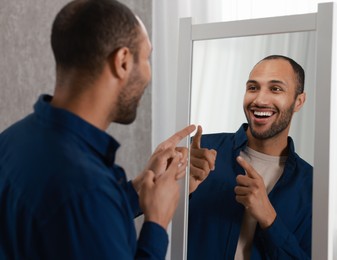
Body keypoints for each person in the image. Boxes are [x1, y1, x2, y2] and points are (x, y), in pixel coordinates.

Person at [0, 0, 195, 259]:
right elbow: (84, 207)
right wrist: (157, 223)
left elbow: (78, 229)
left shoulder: (12, 141)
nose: (149, 73)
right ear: (123, 61)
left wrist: (138, 187)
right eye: (147, 57)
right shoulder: (86, 188)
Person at [188, 55, 313, 259]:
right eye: (253, 88)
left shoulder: (312, 186)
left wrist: (269, 219)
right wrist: (176, 184)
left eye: (275, 89)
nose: (260, 100)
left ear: (298, 101)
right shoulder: (200, 151)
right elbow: (130, 211)